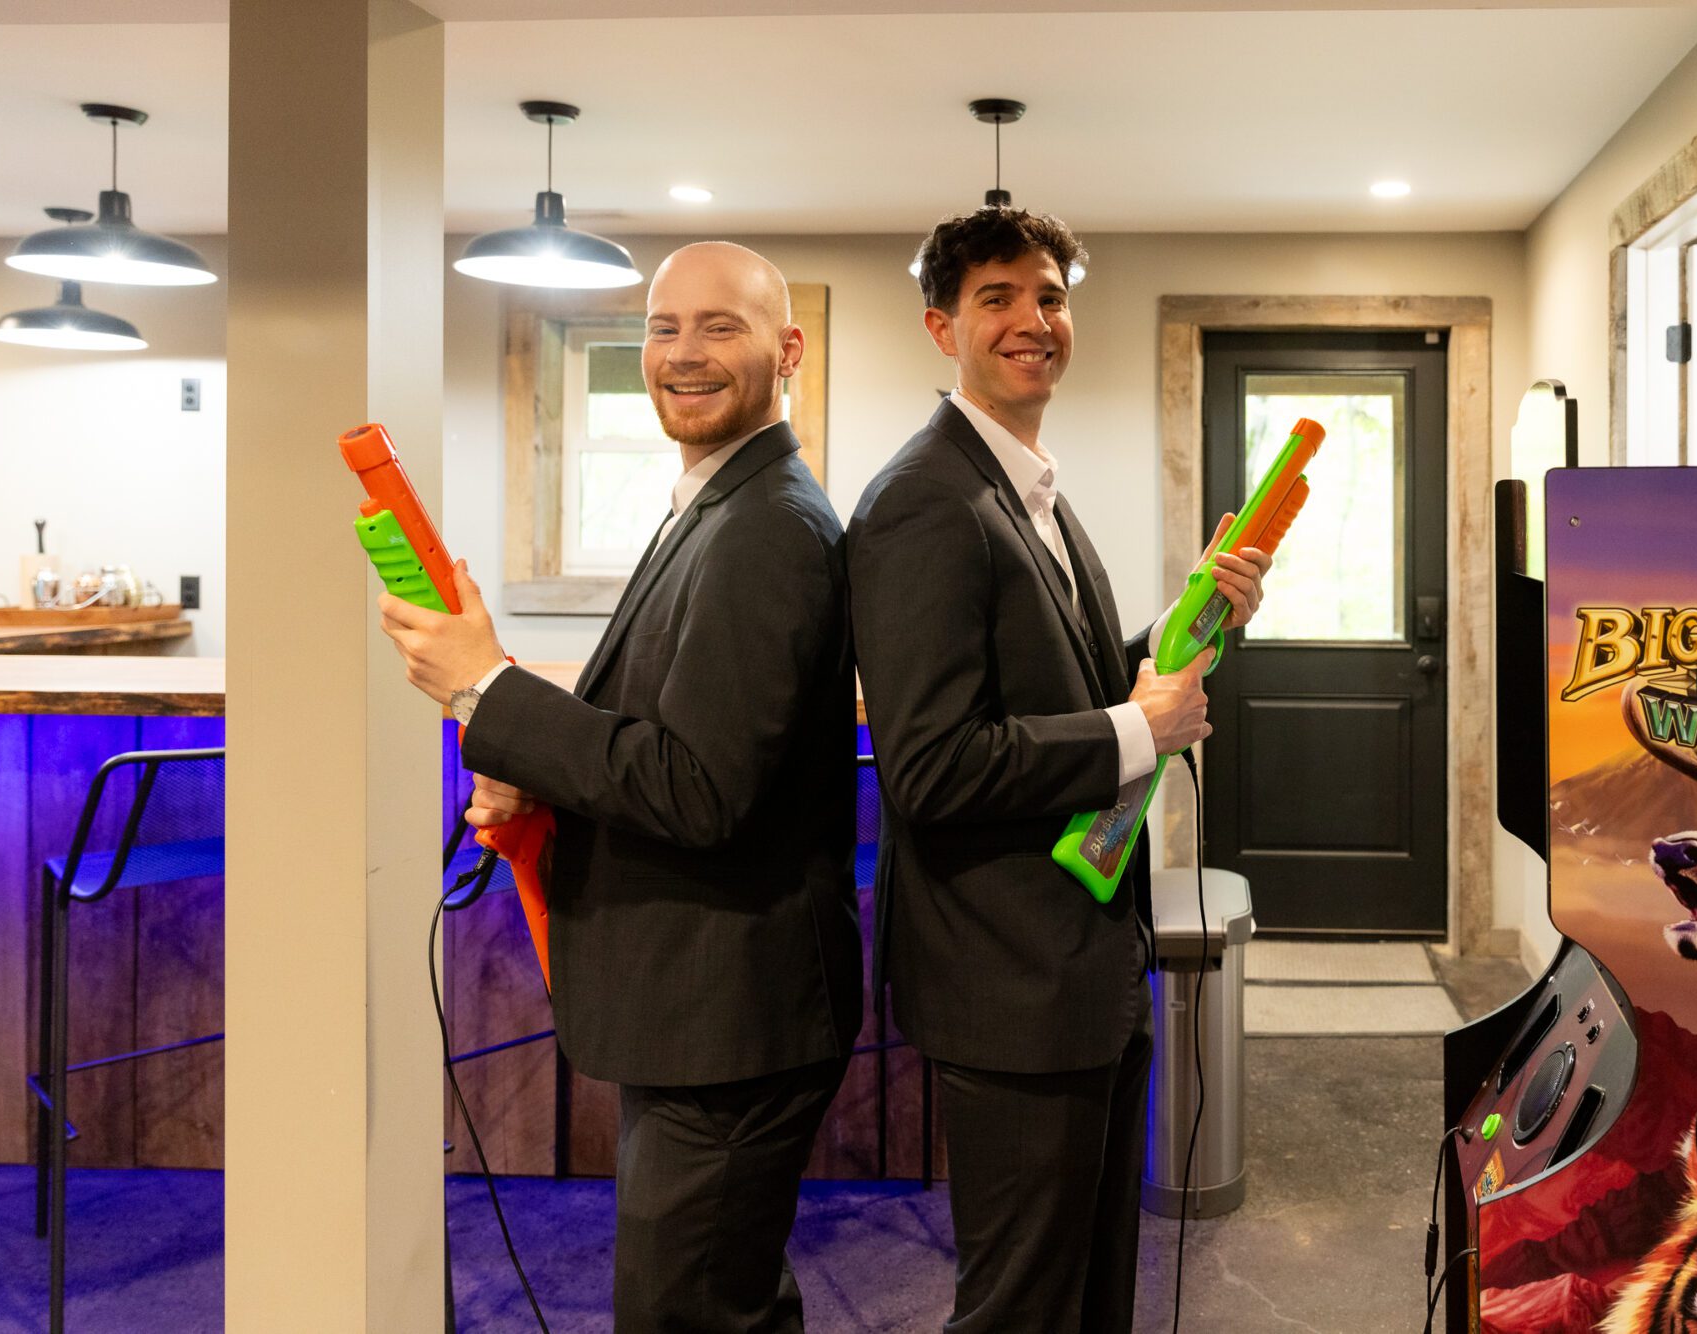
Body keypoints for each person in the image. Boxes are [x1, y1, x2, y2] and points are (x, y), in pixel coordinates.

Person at [378, 241, 860, 1333]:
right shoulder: (712, 502)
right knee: (724, 1299)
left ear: (786, 352)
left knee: (684, 1314)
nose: (682, 354)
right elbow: (667, 733)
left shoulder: (769, 528)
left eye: (719, 327)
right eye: (661, 326)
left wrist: (486, 690)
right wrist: (528, 762)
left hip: (730, 1018)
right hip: (705, 1009)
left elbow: (697, 788)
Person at [845, 208, 1271, 1332]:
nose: (1033, 321)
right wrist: (1140, 727)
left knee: (1088, 1286)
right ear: (941, 325)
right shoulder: (921, 503)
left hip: (1082, 964)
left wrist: (1197, 623)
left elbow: (1084, 685)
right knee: (1021, 1302)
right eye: (997, 298)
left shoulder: (1026, 489)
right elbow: (932, 766)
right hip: (1007, 981)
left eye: (1048, 296)